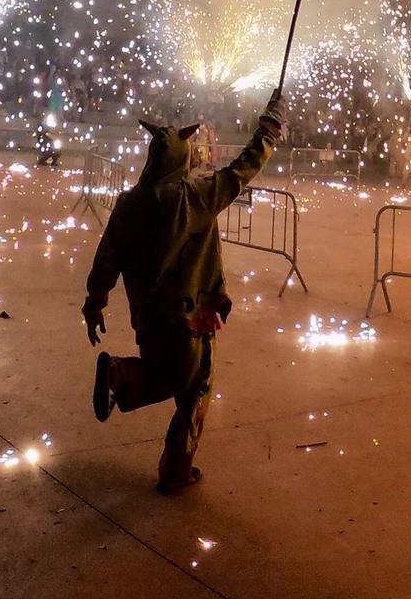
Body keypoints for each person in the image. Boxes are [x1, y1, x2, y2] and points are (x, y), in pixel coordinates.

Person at [83, 91, 286, 493]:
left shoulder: (128, 203)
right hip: (188, 320)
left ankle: (123, 379)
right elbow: (241, 172)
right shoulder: (192, 197)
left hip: (147, 318)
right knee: (194, 387)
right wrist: (269, 129)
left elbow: (106, 258)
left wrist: (95, 303)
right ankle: (170, 463)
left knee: (171, 375)